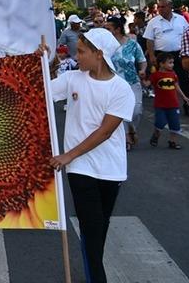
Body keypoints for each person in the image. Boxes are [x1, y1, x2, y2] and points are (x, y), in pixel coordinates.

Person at [46, 29, 134, 283]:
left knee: (99, 230)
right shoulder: (73, 78)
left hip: (111, 169)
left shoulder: (121, 89)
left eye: (82, 51)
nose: (77, 55)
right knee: (91, 232)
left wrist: (67, 154)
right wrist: (44, 64)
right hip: (80, 169)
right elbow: (41, 90)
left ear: (99, 54)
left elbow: (105, 132)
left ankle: (93, 269)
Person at [106, 16, 147, 151]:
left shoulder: (132, 44)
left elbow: (142, 60)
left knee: (136, 110)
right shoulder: (105, 46)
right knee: (120, 112)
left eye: (109, 28)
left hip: (132, 81)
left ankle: (132, 129)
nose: (106, 31)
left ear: (117, 29)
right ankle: (125, 138)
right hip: (114, 84)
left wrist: (142, 70)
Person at [143, 0, 189, 111]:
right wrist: (152, 55)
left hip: (180, 54)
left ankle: (188, 104)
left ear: (170, 7)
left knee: (184, 80)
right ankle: (165, 106)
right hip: (162, 55)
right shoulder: (153, 22)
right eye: (159, 7)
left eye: (163, 7)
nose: (160, 9)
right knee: (163, 81)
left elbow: (188, 35)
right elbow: (149, 40)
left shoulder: (181, 19)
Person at [148, 53, 188, 150]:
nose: (172, 65)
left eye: (172, 63)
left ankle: (172, 141)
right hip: (160, 105)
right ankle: (156, 134)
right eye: (169, 63)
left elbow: (176, 86)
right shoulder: (156, 75)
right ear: (161, 64)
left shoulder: (173, 74)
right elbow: (147, 84)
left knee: (175, 124)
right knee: (160, 123)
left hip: (173, 104)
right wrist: (143, 78)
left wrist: (184, 97)